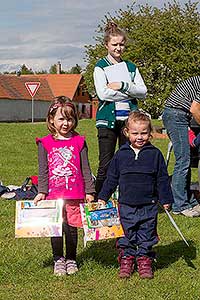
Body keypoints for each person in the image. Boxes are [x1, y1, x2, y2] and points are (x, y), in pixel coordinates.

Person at [98, 111, 173, 279]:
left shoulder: (155, 155)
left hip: (149, 205)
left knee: (147, 234)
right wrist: (103, 196)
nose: (140, 137)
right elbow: (111, 178)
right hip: (125, 205)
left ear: (150, 133)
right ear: (127, 133)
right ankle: (126, 259)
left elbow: (162, 179)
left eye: (144, 133)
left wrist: (166, 199)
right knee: (126, 234)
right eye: (135, 133)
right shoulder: (120, 155)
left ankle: (144, 260)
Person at [34, 96, 95, 276]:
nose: (66, 123)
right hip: (53, 196)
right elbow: (42, 170)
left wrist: (90, 191)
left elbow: (86, 168)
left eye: (70, 119)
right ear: (51, 119)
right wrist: (41, 192)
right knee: (56, 227)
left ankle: (71, 258)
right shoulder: (45, 143)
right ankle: (58, 259)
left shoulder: (80, 141)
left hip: (75, 194)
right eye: (61, 118)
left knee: (71, 227)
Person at [93, 21, 147, 195]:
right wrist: (131, 93)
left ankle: (127, 197)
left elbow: (143, 91)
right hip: (107, 121)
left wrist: (123, 85)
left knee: (128, 159)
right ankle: (100, 200)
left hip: (128, 121)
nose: (118, 48)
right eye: (114, 44)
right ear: (106, 45)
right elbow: (103, 94)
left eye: (121, 44)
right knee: (106, 163)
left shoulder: (131, 67)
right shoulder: (100, 67)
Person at [162, 76, 200, 217]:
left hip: (178, 115)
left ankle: (189, 200)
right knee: (183, 161)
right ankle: (180, 206)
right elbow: (195, 109)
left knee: (186, 160)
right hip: (176, 114)